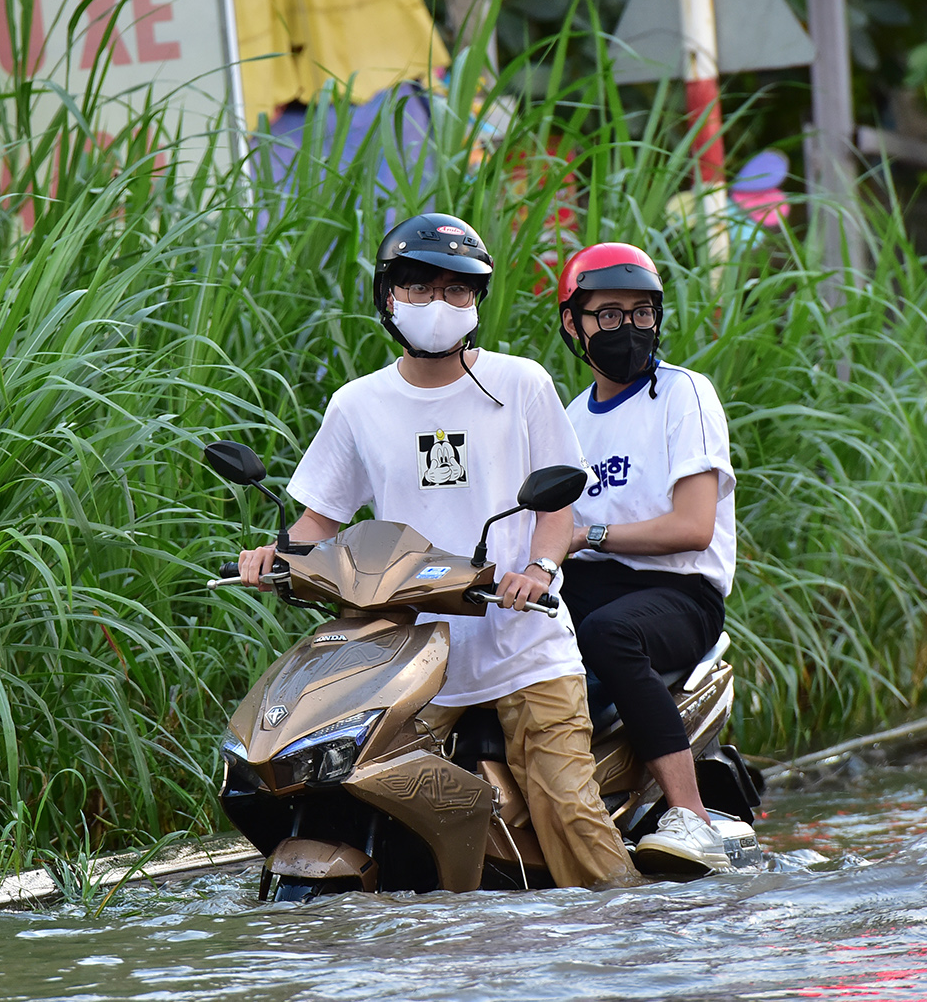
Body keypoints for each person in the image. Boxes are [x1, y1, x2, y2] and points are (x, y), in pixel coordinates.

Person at [238, 212, 633, 890]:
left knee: (569, 808)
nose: (438, 304)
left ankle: (635, 933)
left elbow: (556, 500)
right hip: (412, 654)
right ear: (388, 298)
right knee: (332, 773)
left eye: (457, 290)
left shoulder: (521, 384)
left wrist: (539, 568)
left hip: (523, 643)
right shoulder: (359, 404)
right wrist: (274, 555)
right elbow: (316, 519)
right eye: (418, 287)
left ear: (477, 301)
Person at [555, 242, 737, 876]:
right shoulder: (570, 420)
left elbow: (693, 527)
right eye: (608, 314)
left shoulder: (684, 395)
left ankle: (693, 816)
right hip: (593, 583)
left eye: (640, 313)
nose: (626, 328)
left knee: (611, 634)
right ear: (574, 323)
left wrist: (590, 534)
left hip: (680, 594)